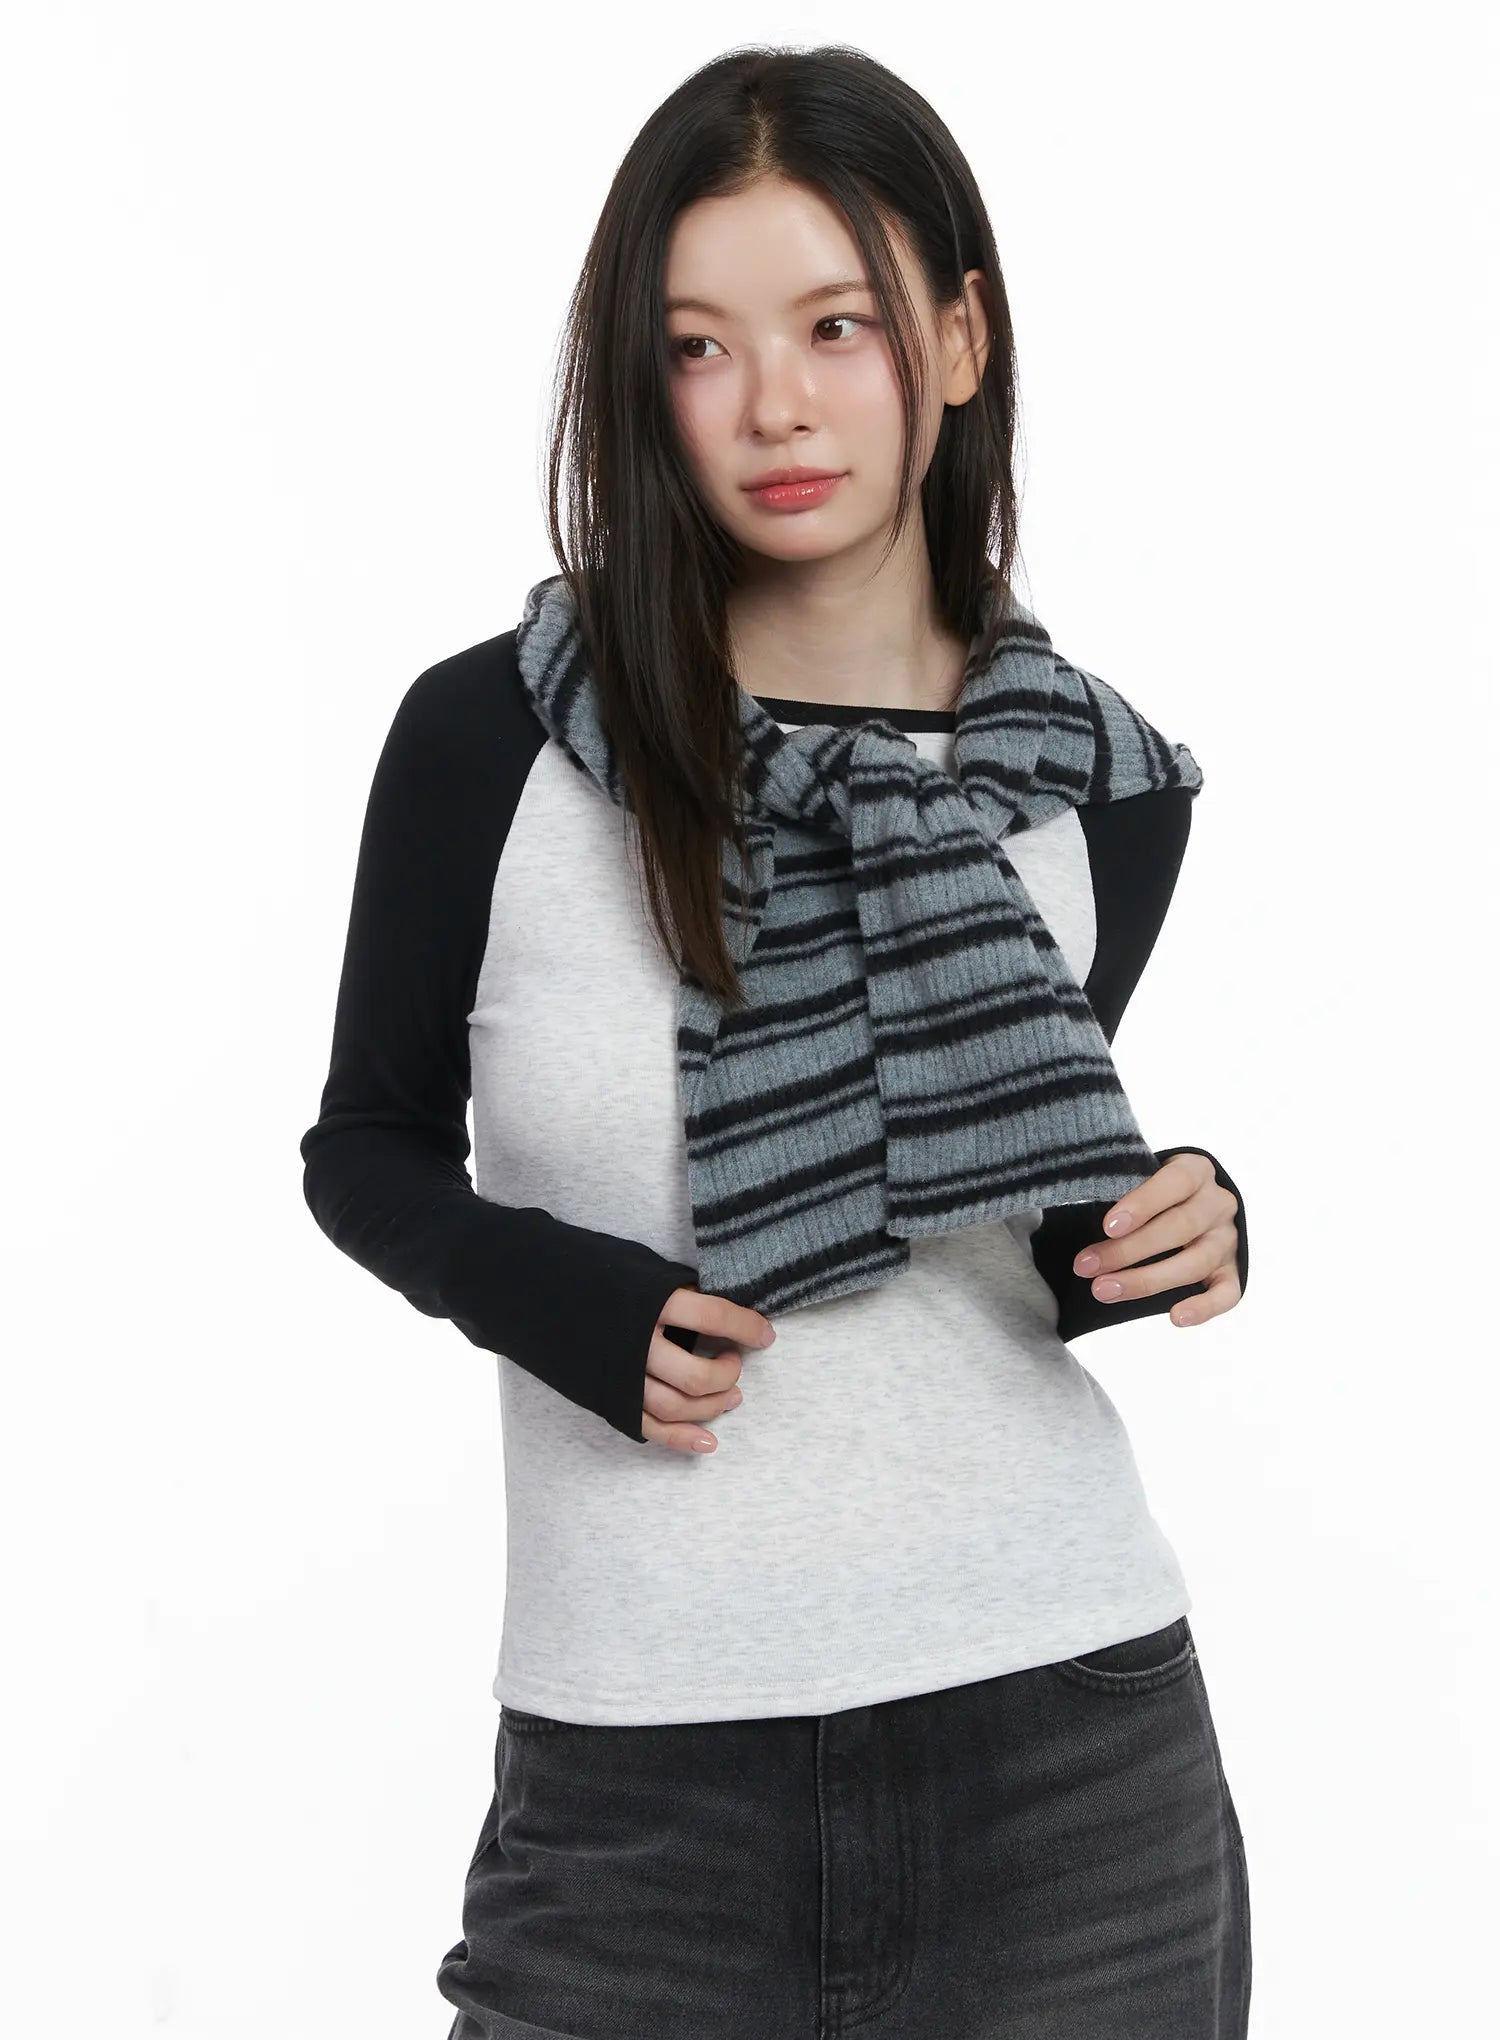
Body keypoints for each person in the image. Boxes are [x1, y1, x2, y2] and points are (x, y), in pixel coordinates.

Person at [299, 43, 1252, 2040]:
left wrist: (1180, 1219)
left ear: (959, 338)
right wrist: (551, 1296)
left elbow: (1012, 1224)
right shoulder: (496, 740)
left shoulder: (1101, 787)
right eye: (699, 346)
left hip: (1073, 1764)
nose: (775, 405)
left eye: (838, 324)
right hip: (640, 1793)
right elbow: (362, 1146)